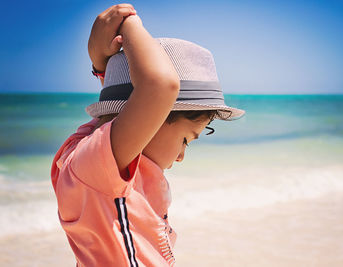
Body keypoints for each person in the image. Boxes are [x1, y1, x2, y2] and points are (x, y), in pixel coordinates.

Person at [51, 3, 245, 267]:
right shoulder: (96, 168)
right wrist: (128, 23)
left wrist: (102, 65)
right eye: (186, 139)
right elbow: (160, 86)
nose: (180, 157)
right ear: (155, 116)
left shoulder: (90, 153)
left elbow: (121, 107)